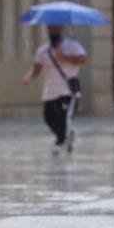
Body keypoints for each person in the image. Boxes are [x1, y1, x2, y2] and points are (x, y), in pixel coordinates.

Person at [22, 24, 87, 154]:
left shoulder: (72, 46)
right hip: (50, 92)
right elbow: (37, 67)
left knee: (64, 118)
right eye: (51, 29)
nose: (53, 31)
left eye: (56, 28)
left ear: (61, 29)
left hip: (67, 91)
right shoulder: (43, 51)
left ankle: (61, 140)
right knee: (48, 117)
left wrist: (64, 58)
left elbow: (83, 59)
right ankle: (66, 136)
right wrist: (29, 77)